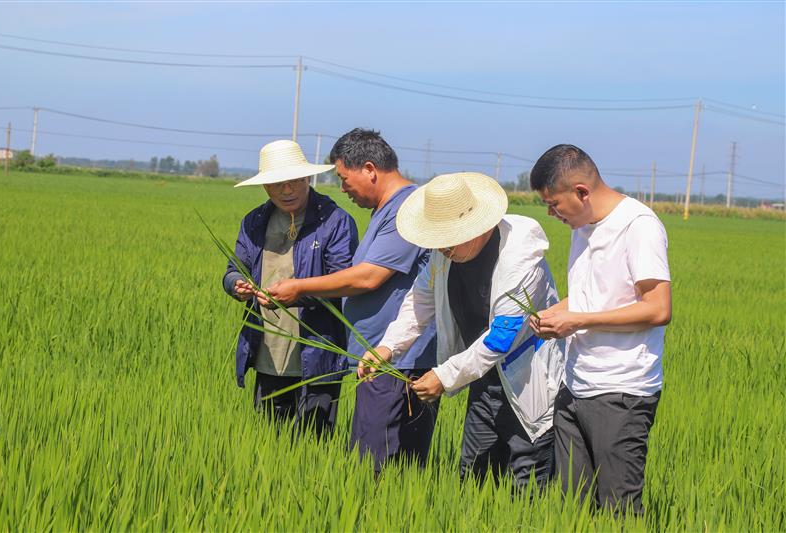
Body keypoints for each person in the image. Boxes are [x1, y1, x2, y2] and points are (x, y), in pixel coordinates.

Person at [365, 172, 565, 491]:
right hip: (483, 383)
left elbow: (501, 338)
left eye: (448, 238)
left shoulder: (521, 259)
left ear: (478, 226)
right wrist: (387, 347)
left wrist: (444, 377)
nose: (441, 248)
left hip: (528, 382)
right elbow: (420, 300)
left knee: (526, 486)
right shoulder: (444, 255)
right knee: (472, 483)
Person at [263, 128, 437, 475]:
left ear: (369, 169)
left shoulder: (406, 210)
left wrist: (299, 287)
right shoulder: (387, 210)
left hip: (397, 361)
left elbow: (369, 276)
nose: (342, 189)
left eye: (344, 178)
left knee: (375, 466)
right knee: (384, 466)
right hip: (381, 358)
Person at [528, 144, 672, 514]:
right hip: (575, 385)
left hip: (621, 392)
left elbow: (658, 309)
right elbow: (588, 297)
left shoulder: (638, 226)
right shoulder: (583, 227)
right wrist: (552, 315)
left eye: (554, 203)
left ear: (581, 192)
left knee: (617, 511)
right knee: (571, 509)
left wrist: (576, 321)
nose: (551, 213)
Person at [223, 139, 358, 437]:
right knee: (268, 443)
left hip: (317, 354)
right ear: (265, 187)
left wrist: (298, 292)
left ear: (307, 178)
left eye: (294, 181)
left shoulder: (334, 222)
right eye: (278, 183)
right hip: (267, 353)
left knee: (314, 445)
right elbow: (233, 271)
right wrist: (237, 286)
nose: (287, 190)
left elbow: (345, 281)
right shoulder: (254, 222)